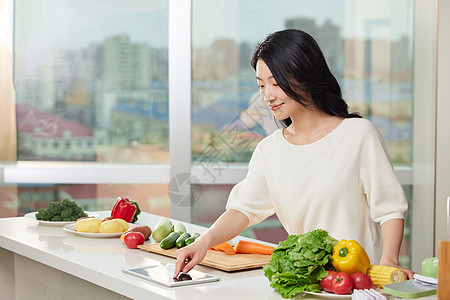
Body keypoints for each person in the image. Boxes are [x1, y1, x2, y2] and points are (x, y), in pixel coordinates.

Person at [174, 29, 414, 280]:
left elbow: (389, 209)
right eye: (261, 85)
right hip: (306, 284)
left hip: (360, 284)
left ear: (306, 76)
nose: (268, 95)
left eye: (276, 83)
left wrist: (389, 261)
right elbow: (242, 211)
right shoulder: (270, 150)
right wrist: (202, 242)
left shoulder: (358, 135)